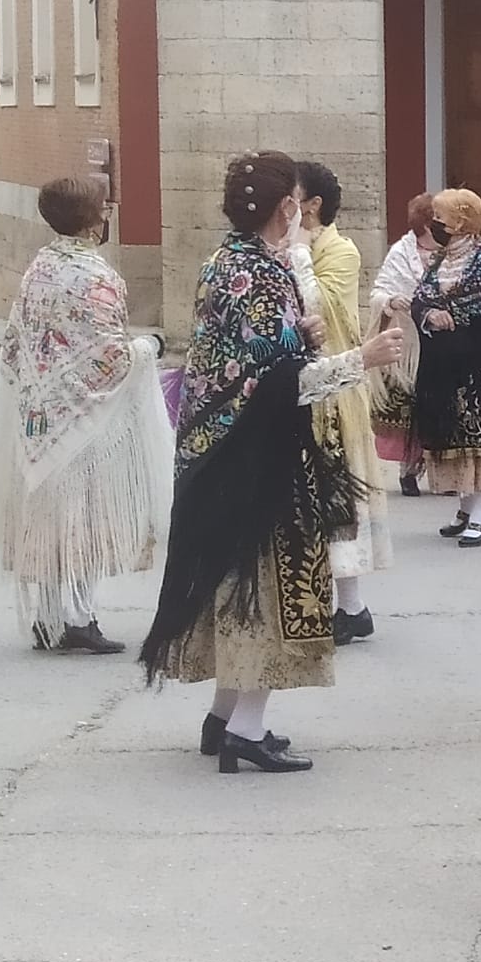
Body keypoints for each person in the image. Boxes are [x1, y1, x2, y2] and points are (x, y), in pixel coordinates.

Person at [139, 152, 409, 772]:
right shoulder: (260, 273)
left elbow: (256, 355)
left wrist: (304, 336)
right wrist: (361, 358)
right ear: (286, 207)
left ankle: (223, 716)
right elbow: (278, 384)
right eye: (296, 201)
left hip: (220, 447)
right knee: (263, 586)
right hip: (253, 454)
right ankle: (246, 728)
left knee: (235, 582)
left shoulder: (230, 260)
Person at [0, 174, 172, 653]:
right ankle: (77, 616)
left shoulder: (39, 267)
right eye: (102, 208)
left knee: (51, 518)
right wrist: (148, 347)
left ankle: (49, 616)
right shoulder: (97, 276)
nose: (108, 213)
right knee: (83, 517)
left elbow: (16, 342)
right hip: (83, 419)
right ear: (92, 220)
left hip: (40, 416)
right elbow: (109, 355)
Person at [386, 188, 481, 547]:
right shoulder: (441, 260)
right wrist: (429, 315)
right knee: (450, 438)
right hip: (444, 365)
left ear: (460, 221)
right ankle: (464, 509)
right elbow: (421, 300)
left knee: (479, 444)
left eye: (441, 219)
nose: (435, 224)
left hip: (480, 366)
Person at [292, 161, 389, 645]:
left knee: (337, 492)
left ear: (313, 205)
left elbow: (323, 310)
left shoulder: (339, 249)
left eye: (295, 196)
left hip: (336, 382)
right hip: (302, 383)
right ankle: (344, 603)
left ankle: (351, 605)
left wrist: (298, 256)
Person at [368, 194, 436, 494]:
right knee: (407, 407)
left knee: (437, 405)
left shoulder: (451, 252)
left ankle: (440, 469)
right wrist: (392, 300)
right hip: (409, 343)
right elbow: (379, 291)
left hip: (441, 341)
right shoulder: (401, 252)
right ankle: (408, 469)